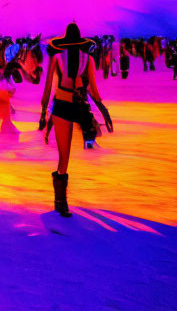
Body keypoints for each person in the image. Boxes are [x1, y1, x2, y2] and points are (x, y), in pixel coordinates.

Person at [39, 23, 113, 217]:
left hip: (63, 105)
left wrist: (43, 112)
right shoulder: (86, 59)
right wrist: (102, 109)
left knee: (64, 156)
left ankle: (60, 203)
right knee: (65, 156)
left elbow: (48, 88)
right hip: (75, 105)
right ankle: (60, 202)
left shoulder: (57, 57)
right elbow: (93, 89)